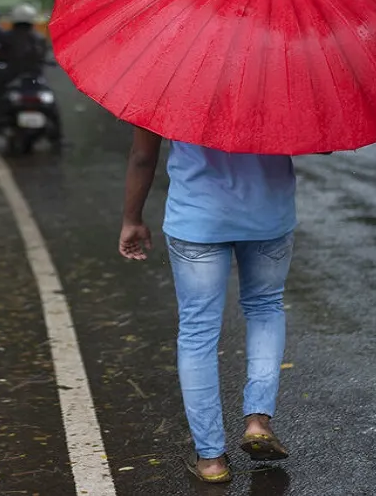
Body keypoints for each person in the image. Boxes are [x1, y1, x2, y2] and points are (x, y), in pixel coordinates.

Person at [118, 128, 296, 483]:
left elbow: (142, 156)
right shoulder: (279, 77)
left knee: (198, 331)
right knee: (264, 308)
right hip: (268, 214)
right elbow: (318, 143)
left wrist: (132, 219)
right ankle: (258, 421)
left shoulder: (168, 80)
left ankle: (211, 460)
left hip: (197, 218)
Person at [0, 4, 54, 152]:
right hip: (35, 79)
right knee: (52, 107)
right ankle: (58, 139)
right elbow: (45, 56)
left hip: (10, 78)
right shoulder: (38, 38)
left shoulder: (6, 36)